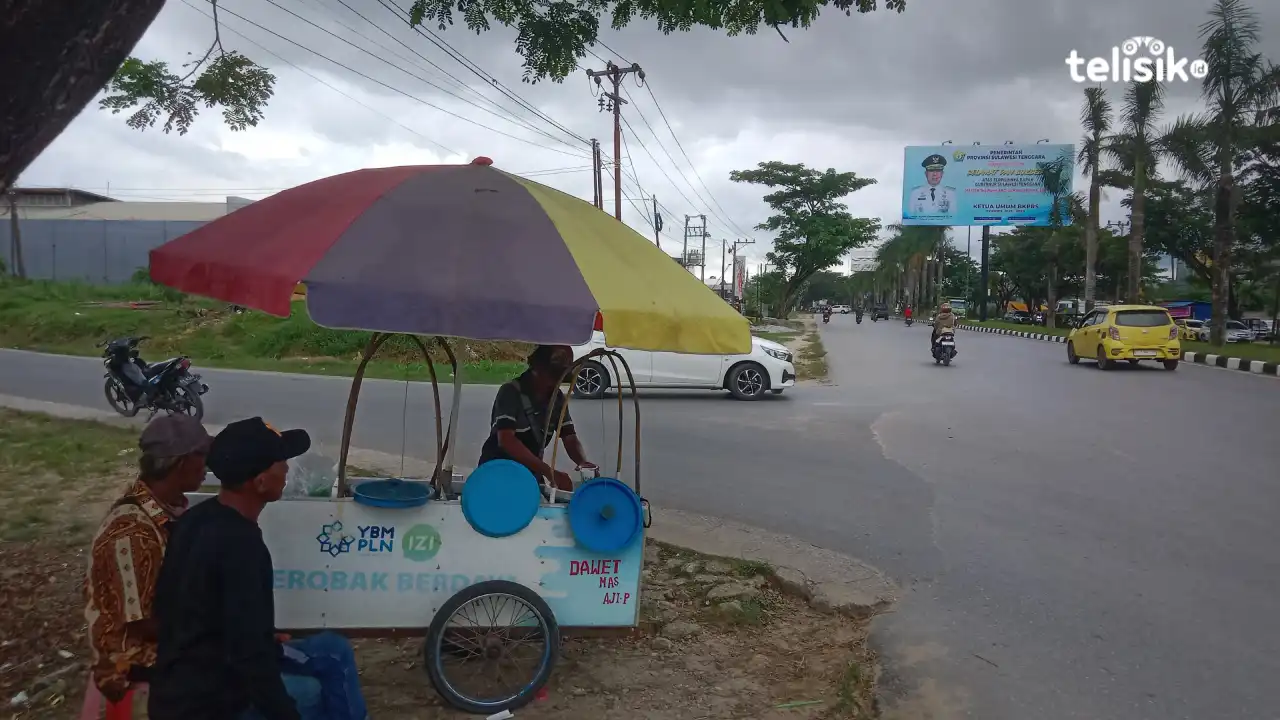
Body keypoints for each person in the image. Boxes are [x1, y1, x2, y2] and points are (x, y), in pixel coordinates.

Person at [148, 417, 368, 720]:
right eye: (281, 462)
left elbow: (175, 609)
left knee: (334, 648)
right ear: (260, 482)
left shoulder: (194, 520)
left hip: (184, 682)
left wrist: (260, 636)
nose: (287, 468)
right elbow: (251, 661)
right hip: (210, 704)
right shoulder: (242, 547)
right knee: (311, 692)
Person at [86, 415, 213, 711]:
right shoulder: (133, 531)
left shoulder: (159, 509)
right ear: (181, 463)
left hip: (160, 640)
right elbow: (144, 624)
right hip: (132, 660)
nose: (207, 465)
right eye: (203, 456)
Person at [478, 345, 597, 492]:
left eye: (560, 379)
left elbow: (569, 437)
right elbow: (507, 441)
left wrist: (582, 462)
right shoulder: (510, 392)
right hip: (499, 470)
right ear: (537, 368)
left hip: (529, 472)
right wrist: (549, 472)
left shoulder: (557, 398)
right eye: (552, 378)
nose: (555, 384)